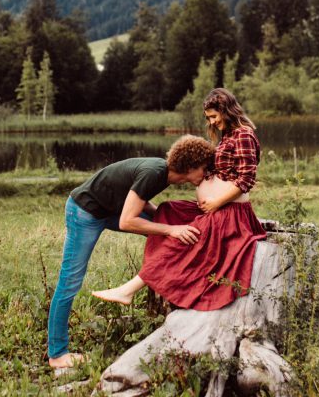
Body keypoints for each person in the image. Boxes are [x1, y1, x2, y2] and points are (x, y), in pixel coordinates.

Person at [47, 134, 215, 372]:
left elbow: (136, 199)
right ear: (190, 166)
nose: (207, 174)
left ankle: (181, 293)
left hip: (110, 209)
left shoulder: (163, 175)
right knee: (70, 281)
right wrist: (170, 228)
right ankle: (57, 354)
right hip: (85, 212)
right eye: (205, 169)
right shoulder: (154, 173)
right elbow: (127, 221)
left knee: (172, 238)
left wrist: (165, 221)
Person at [92, 88, 266, 310]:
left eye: (214, 116)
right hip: (216, 207)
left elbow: (246, 179)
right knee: (168, 210)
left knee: (186, 236)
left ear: (226, 110)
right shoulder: (228, 136)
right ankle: (161, 274)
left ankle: (128, 290)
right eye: (208, 118)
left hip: (230, 212)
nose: (212, 122)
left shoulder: (243, 135)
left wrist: (216, 202)